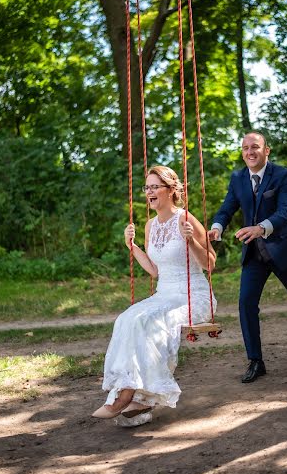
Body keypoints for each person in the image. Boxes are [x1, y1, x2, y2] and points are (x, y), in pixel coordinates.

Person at [209, 131, 287, 384]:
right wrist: (217, 226)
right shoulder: (237, 178)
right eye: (245, 148)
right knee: (246, 303)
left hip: (285, 249)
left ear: (266, 150)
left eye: (255, 147)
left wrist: (260, 228)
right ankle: (256, 361)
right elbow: (227, 208)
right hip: (255, 254)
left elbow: (286, 212)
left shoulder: (282, 175)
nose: (250, 152)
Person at [92, 165, 217, 419]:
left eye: (154, 187)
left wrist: (191, 240)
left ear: (171, 190)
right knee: (126, 319)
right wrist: (133, 247)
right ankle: (131, 393)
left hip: (192, 296)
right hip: (164, 294)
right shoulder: (150, 225)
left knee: (148, 321)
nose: (149, 192)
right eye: (146, 187)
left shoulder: (185, 218)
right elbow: (154, 271)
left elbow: (211, 264)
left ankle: (131, 395)